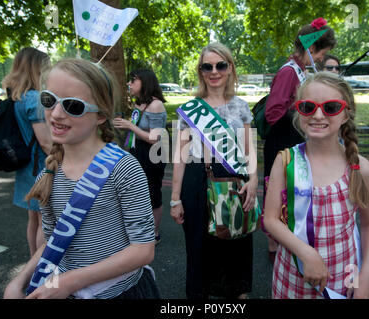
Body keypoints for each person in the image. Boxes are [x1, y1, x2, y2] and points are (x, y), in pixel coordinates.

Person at [3, 58, 159, 299]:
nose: (56, 113)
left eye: (73, 106)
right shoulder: (48, 173)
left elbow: (143, 250)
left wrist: (68, 282)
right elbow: (52, 242)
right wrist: (19, 281)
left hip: (119, 292)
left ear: (100, 115)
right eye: (49, 100)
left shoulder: (123, 168)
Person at [263, 72, 369, 299]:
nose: (318, 115)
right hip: (292, 274)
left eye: (331, 107)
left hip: (345, 275)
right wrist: (305, 253)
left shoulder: (361, 169)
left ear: (346, 114)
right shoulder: (285, 161)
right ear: (298, 111)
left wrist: (368, 276)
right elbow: (270, 219)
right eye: (308, 107)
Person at [170, 43, 258, 299]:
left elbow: (249, 150)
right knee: (199, 243)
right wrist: (175, 198)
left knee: (235, 238)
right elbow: (180, 157)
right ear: (200, 71)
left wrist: (253, 180)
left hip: (234, 176)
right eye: (207, 66)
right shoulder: (191, 109)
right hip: (197, 178)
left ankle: (236, 292)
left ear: (230, 68)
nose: (214, 71)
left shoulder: (241, 106)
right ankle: (199, 294)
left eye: (220, 65)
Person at [264, 18, 337, 263]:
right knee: (280, 198)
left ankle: (289, 247)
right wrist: (306, 110)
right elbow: (273, 113)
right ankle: (276, 255)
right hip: (282, 144)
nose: (321, 60)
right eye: (322, 54)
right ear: (311, 49)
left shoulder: (300, 70)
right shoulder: (288, 72)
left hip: (292, 141)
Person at [1, 47, 52, 257]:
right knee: (45, 221)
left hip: (25, 166)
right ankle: (40, 265)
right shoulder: (34, 99)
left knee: (34, 219)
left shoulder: (16, 96)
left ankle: (33, 261)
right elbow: (45, 142)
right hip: (40, 165)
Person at [113, 70, 167, 244]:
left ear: (145, 82)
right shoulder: (139, 104)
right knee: (138, 191)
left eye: (133, 81)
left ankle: (154, 234)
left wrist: (130, 125)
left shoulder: (156, 105)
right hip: (138, 150)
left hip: (153, 154)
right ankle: (139, 229)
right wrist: (125, 126)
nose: (129, 84)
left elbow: (155, 138)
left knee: (152, 193)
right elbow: (136, 129)